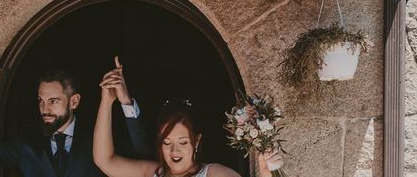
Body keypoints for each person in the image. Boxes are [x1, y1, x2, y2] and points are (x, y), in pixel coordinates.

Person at [0, 55, 147, 176]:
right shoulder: (27, 143)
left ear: (74, 102)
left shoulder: (99, 138)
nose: (45, 109)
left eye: (53, 101)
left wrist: (125, 101)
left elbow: (142, 152)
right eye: (41, 101)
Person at [93, 67, 284, 177]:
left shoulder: (213, 174)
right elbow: (104, 161)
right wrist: (107, 101)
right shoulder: (153, 172)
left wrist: (266, 173)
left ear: (197, 141)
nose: (174, 151)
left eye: (183, 142)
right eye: (167, 143)